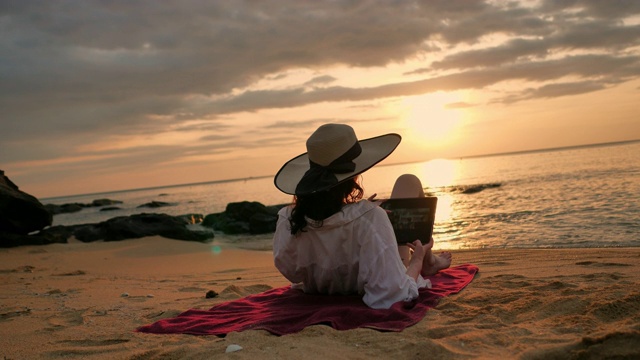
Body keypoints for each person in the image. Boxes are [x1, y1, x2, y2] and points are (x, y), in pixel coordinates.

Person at [272, 123, 452, 309]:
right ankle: (428, 260)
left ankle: (430, 260)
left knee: (387, 207)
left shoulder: (288, 219)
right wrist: (417, 261)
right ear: (353, 177)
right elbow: (396, 294)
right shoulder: (370, 218)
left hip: (324, 285)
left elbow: (294, 270)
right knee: (408, 181)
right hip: (379, 279)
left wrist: (360, 213)